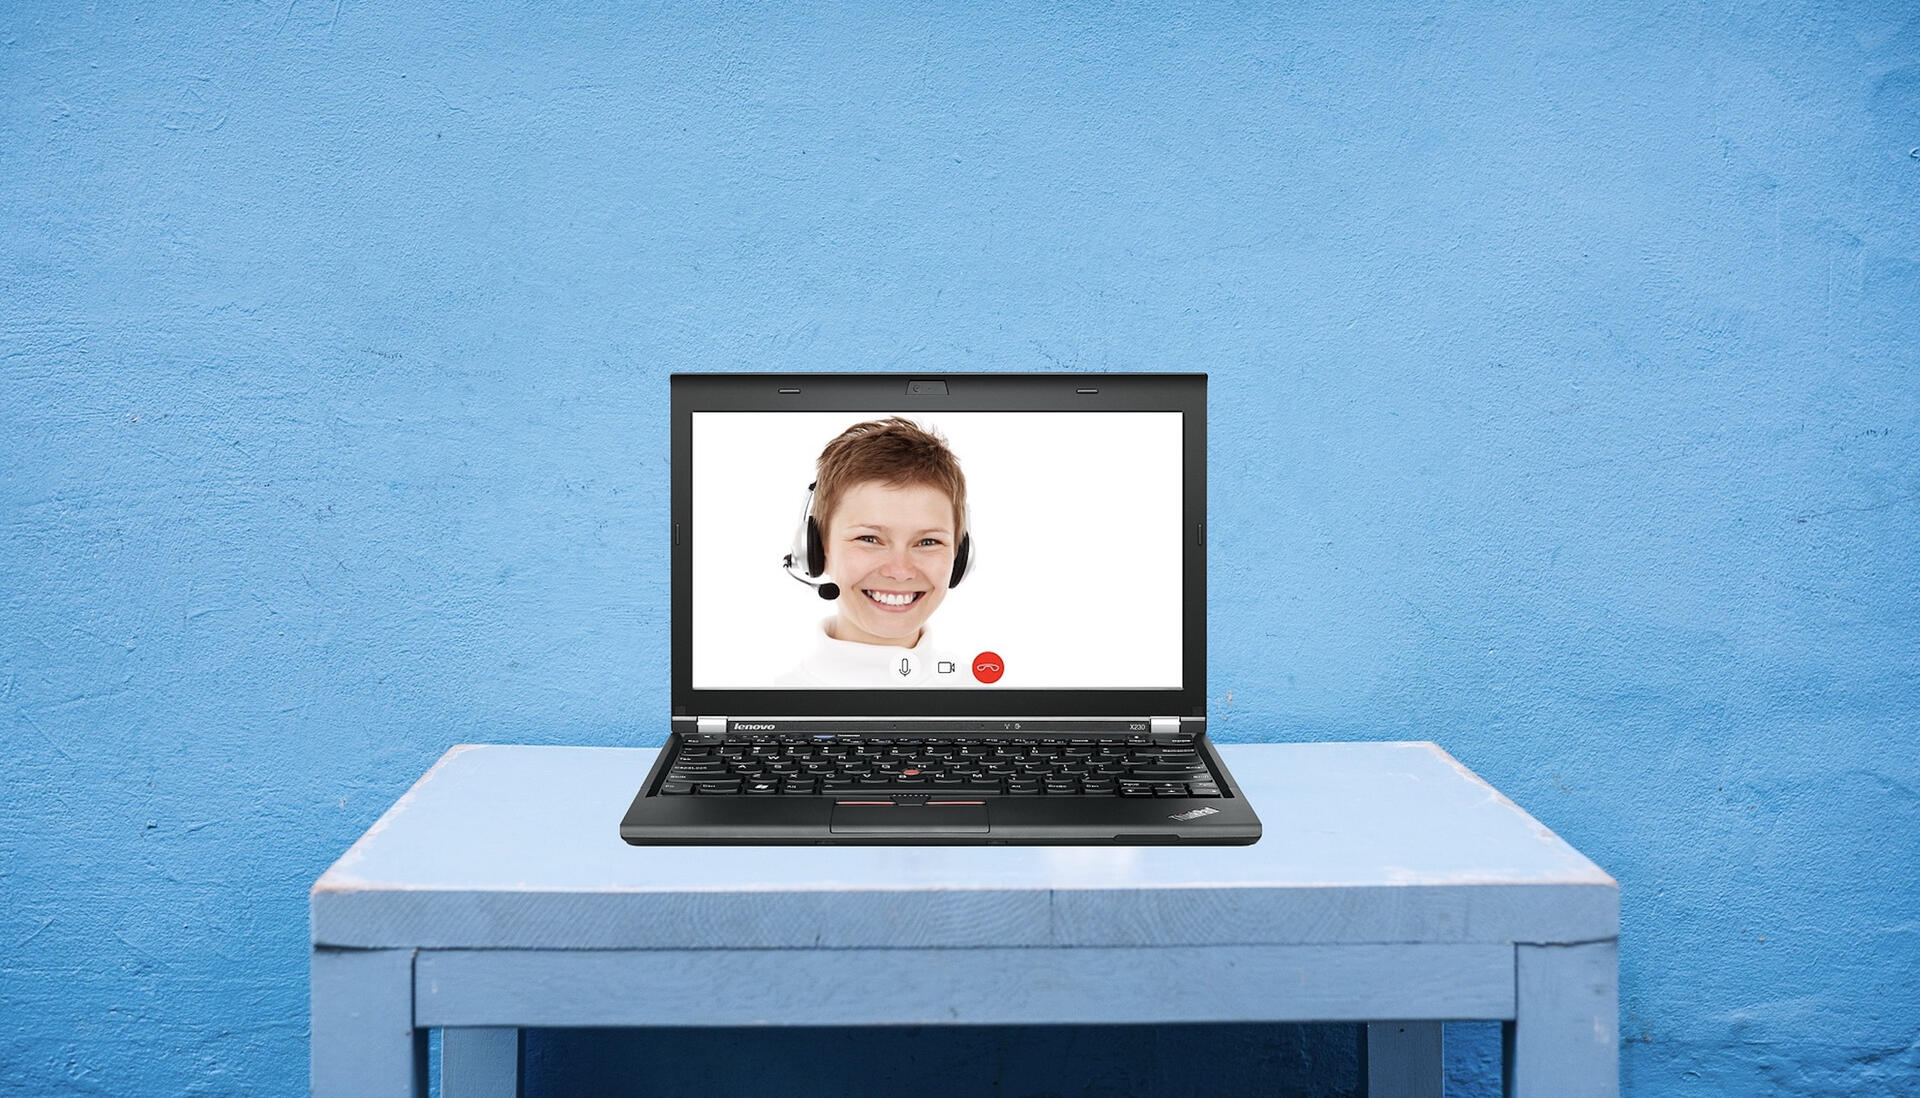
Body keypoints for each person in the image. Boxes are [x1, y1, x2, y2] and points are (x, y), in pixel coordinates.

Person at [778, 417, 969, 687]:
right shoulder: (769, 699)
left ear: (960, 556)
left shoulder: (987, 695)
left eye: (928, 542)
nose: (900, 571)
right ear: (816, 550)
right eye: (869, 539)